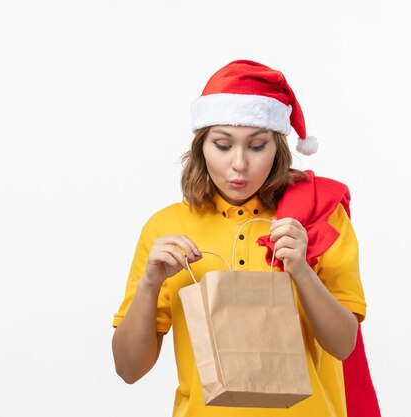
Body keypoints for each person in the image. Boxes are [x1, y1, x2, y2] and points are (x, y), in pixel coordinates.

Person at [112, 60, 372, 417]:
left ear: (277, 147)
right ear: (201, 147)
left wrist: (301, 268)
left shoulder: (316, 215)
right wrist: (150, 283)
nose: (238, 164)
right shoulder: (166, 227)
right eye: (222, 145)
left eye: (256, 146)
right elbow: (129, 369)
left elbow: (343, 346)